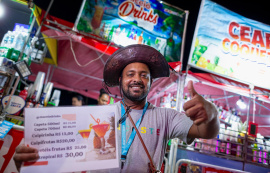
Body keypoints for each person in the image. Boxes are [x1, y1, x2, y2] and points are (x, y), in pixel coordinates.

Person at [13, 44, 219, 172]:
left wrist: (211, 115)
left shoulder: (166, 117)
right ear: (120, 80)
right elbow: (63, 154)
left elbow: (205, 131)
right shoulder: (95, 116)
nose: (137, 79)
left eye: (144, 75)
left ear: (150, 82)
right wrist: (34, 160)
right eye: (130, 74)